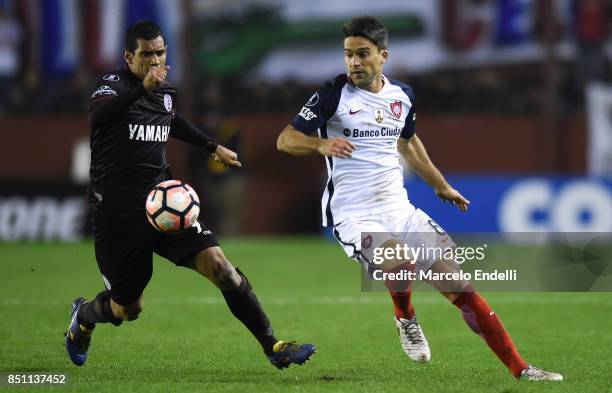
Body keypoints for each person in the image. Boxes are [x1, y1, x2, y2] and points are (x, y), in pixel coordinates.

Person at [277, 16, 561, 381]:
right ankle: (405, 318)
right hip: (353, 213)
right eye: (348, 54)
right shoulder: (333, 94)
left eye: (363, 54)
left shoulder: (402, 97)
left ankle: (522, 370)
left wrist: (440, 185)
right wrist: (319, 143)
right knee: (398, 260)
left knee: (461, 288)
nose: (354, 63)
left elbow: (409, 143)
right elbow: (284, 139)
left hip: (398, 209)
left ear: (383, 56)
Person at [64, 21, 315, 369]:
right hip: (118, 215)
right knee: (127, 308)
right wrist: (141, 90)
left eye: (161, 52)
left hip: (164, 203)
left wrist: (212, 145)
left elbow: (172, 119)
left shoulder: (165, 92)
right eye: (147, 54)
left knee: (221, 267)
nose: (155, 60)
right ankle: (84, 318)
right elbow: (98, 116)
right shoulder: (112, 86)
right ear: (128, 57)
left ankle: (274, 346)